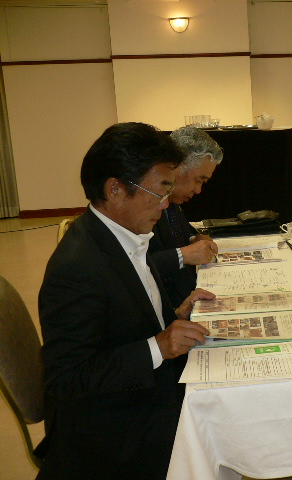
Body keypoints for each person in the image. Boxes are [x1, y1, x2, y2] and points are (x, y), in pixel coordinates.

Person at [37, 122, 214, 480]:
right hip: (115, 430)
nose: (166, 204)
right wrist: (158, 346)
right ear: (115, 189)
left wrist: (174, 316)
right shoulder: (77, 267)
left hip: (140, 393)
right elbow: (66, 379)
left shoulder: (124, 235)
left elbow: (125, 318)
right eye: (160, 191)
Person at [149, 126, 223, 308]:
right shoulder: (147, 204)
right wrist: (183, 255)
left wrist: (194, 238)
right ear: (177, 167)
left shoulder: (174, 201)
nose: (198, 190)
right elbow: (131, 264)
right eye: (198, 180)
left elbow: (178, 232)